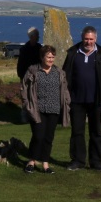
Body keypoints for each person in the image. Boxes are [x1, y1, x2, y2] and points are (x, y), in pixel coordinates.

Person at [62, 26, 101, 171]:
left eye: (91, 39)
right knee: (77, 132)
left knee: (96, 132)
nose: (88, 42)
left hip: (96, 101)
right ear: (82, 38)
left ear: (96, 39)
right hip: (76, 100)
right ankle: (77, 161)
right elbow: (65, 77)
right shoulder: (73, 53)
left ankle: (96, 162)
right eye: (86, 39)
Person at [21, 45, 70, 174]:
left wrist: (67, 103)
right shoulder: (33, 70)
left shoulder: (59, 72)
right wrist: (26, 104)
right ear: (42, 57)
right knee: (38, 136)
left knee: (49, 137)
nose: (50, 60)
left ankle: (45, 163)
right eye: (48, 57)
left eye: (53, 57)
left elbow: (65, 90)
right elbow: (24, 87)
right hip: (37, 109)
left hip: (54, 109)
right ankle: (31, 161)